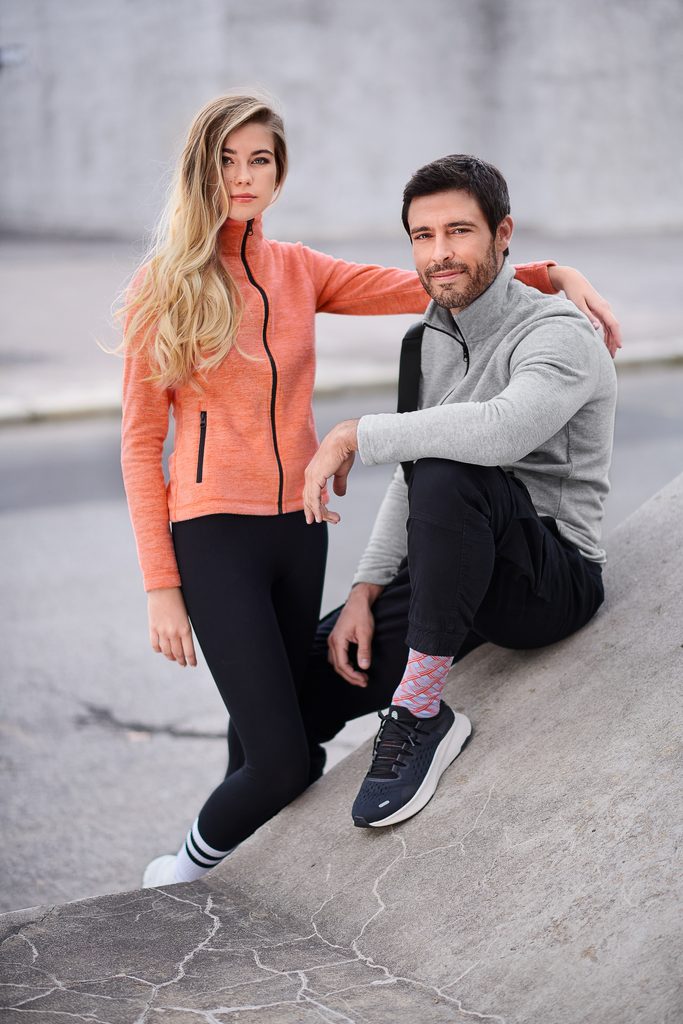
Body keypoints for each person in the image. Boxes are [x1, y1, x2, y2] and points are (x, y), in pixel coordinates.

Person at [120, 93, 619, 885]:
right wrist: (162, 584)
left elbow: (430, 283)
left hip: (302, 528)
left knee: (281, 718)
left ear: (279, 173)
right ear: (198, 169)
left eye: (259, 160)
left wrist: (551, 275)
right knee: (278, 732)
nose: (243, 177)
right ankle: (204, 866)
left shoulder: (298, 269)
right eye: (226, 160)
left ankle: (251, 835)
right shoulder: (164, 286)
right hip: (213, 529)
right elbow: (140, 443)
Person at [301, 154, 617, 828]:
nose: (439, 253)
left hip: (548, 577)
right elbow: (413, 471)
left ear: (503, 234)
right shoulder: (425, 341)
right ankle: (223, 849)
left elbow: (500, 432)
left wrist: (358, 433)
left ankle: (420, 712)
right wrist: (365, 588)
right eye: (423, 236)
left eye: (458, 231)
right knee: (303, 679)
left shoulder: (559, 333)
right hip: (456, 556)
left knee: (452, 469)